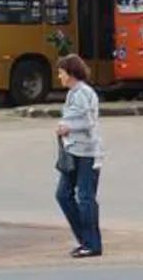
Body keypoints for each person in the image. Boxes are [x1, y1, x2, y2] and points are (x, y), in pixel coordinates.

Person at [54, 54, 104, 258]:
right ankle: (86, 240)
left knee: (85, 198)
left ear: (71, 73)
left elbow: (88, 121)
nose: (59, 76)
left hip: (87, 153)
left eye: (61, 73)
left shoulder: (82, 92)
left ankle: (92, 244)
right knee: (63, 194)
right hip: (73, 151)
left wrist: (67, 128)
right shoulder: (74, 93)